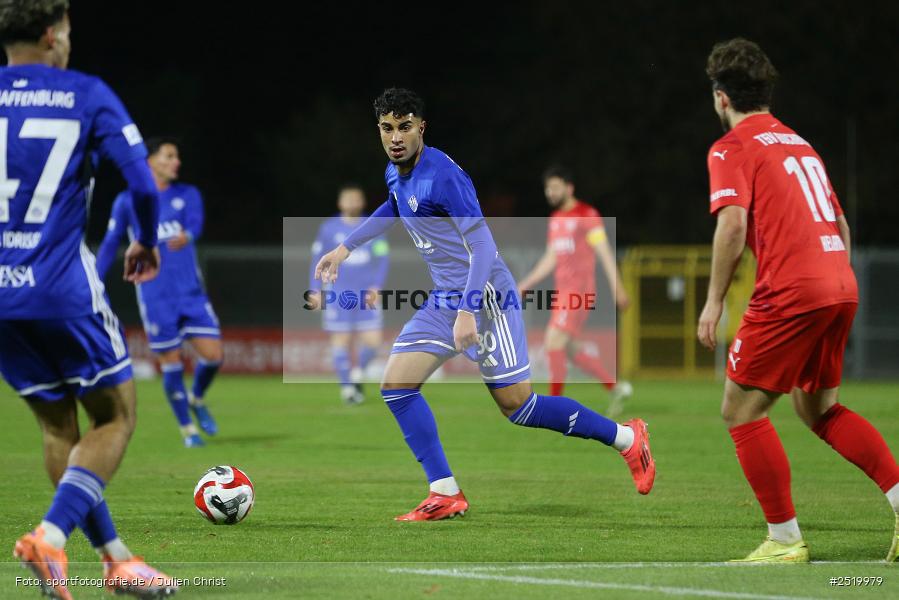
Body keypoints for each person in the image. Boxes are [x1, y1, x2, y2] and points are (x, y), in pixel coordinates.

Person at [315, 88, 655, 521]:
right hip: (445, 297)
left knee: (520, 406)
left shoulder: (444, 176)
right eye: (387, 128)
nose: (395, 137)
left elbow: (481, 244)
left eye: (404, 127)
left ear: (422, 127)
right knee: (396, 387)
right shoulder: (393, 172)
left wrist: (467, 311)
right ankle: (445, 491)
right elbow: (393, 207)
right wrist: (344, 248)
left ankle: (627, 438)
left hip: (486, 296)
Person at [698, 38, 899, 563]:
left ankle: (785, 540)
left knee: (740, 410)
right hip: (839, 282)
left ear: (722, 98)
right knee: (818, 407)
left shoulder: (731, 146)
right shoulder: (799, 143)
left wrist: (713, 302)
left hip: (793, 290)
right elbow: (840, 223)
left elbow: (733, 224)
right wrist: (835, 280)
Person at [0, 1, 176, 596]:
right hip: (59, 287)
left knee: (59, 428)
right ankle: (50, 538)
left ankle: (115, 558)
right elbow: (142, 183)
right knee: (115, 415)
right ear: (52, 35)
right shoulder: (84, 92)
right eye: (68, 32)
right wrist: (145, 242)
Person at [97, 137, 223, 447]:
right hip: (155, 296)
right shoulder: (129, 201)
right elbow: (112, 242)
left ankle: (197, 398)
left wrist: (190, 234)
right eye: (169, 155)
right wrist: (95, 282)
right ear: (150, 160)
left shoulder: (187, 194)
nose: (176, 161)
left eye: (176, 155)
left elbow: (196, 223)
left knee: (214, 357)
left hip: (191, 293)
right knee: (172, 363)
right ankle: (188, 431)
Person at [518, 165, 632, 417]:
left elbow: (604, 253)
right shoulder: (556, 220)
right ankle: (615, 387)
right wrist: (525, 284)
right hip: (563, 292)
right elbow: (551, 258)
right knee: (569, 348)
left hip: (579, 291)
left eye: (555, 187)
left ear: (569, 188)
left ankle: (552, 408)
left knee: (553, 340)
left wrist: (618, 288)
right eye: (547, 188)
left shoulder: (587, 215)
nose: (550, 192)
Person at [308, 184, 389, 405]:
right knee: (340, 341)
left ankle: (356, 376)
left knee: (373, 342)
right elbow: (318, 260)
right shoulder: (328, 228)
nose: (352, 202)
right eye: (348, 199)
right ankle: (347, 389)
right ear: (340, 203)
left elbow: (382, 258)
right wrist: (314, 289)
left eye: (356, 199)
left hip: (366, 295)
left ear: (362, 202)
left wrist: (377, 286)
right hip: (337, 292)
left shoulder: (372, 226)